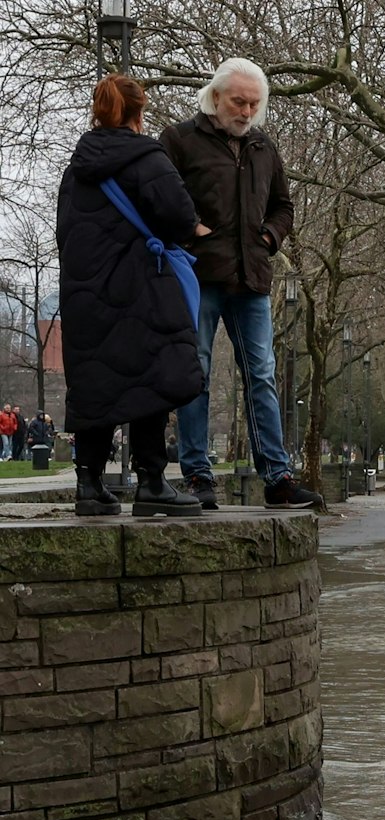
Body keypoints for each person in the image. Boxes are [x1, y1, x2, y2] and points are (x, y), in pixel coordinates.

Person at [161, 58, 321, 510]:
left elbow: (283, 205)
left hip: (252, 279)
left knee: (263, 377)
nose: (247, 111)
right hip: (197, 276)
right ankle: (198, 477)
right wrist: (191, 227)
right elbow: (159, 195)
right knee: (197, 372)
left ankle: (277, 478)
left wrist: (269, 237)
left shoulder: (263, 148)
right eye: (239, 101)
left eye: (254, 103)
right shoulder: (178, 141)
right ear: (216, 96)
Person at [55, 74, 206, 517]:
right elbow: (180, 217)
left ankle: (89, 485)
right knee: (152, 378)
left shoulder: (76, 168)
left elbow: (66, 232)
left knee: (95, 380)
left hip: (84, 293)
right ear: (139, 113)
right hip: (141, 288)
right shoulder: (147, 157)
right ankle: (153, 483)